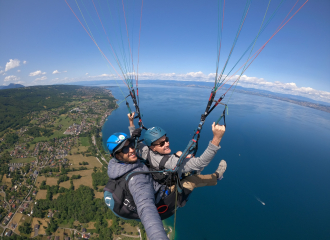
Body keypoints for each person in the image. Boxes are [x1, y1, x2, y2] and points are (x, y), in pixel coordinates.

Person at [128, 112, 227, 192]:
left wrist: (131, 122)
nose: (167, 143)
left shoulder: (146, 151)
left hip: (161, 176)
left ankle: (191, 168)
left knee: (184, 156)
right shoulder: (171, 162)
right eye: (162, 143)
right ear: (153, 148)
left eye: (166, 139)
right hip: (171, 187)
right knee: (194, 179)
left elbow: (135, 143)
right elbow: (201, 162)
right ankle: (217, 176)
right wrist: (217, 138)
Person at [103, 132, 169, 240]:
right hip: (158, 202)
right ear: (116, 155)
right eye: (125, 149)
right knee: (189, 182)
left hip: (133, 204)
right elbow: (146, 209)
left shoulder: (117, 165)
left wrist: (131, 124)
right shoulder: (138, 180)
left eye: (131, 144)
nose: (131, 149)